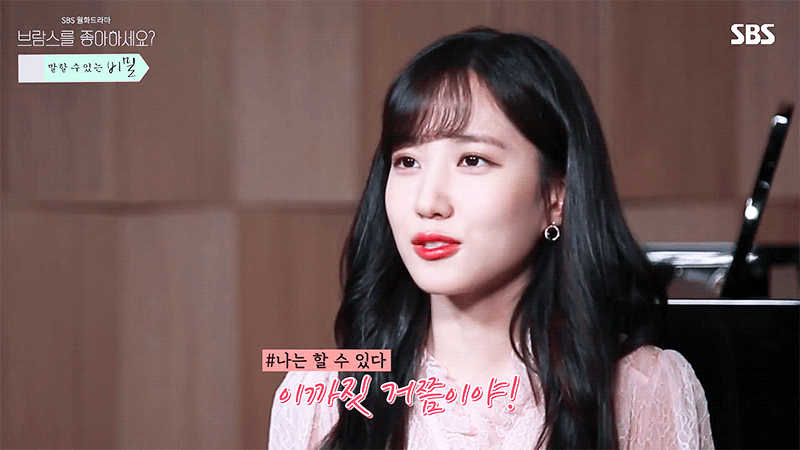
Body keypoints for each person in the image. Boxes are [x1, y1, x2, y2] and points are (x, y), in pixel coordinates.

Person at [270, 27, 713, 449]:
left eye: (472, 160)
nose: (427, 201)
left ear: (555, 196)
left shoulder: (642, 389)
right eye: (407, 162)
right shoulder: (319, 394)